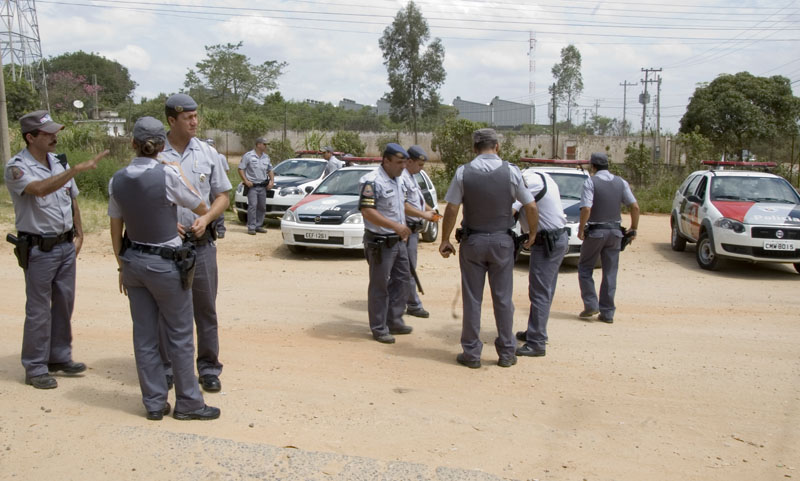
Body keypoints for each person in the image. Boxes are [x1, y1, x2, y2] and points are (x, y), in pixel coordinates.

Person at [109, 116, 219, 421]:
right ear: (161, 146)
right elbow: (199, 205)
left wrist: (121, 265)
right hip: (165, 263)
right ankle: (189, 403)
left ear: (132, 143)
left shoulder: (117, 179)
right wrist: (179, 172)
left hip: (133, 260)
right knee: (180, 335)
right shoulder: (166, 175)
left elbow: (115, 228)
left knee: (144, 337)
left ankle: (154, 402)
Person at [5, 110, 109, 389]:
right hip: (39, 248)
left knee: (64, 303)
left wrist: (80, 233)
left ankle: (59, 356)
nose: (54, 137)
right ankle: (36, 366)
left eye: (55, 131)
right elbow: (38, 190)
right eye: (48, 133)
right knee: (39, 309)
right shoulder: (16, 167)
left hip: (64, 245)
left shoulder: (58, 162)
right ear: (31, 137)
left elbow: (71, 199)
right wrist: (75, 170)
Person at [439, 128, 537, 369]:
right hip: (502, 242)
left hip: (473, 242)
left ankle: (471, 353)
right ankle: (506, 352)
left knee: (472, 299)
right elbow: (531, 206)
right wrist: (533, 233)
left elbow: (452, 208)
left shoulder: (463, 172)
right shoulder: (512, 171)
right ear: (497, 147)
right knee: (503, 299)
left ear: (474, 148)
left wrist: (445, 239)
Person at [161, 93, 232, 393]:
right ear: (171, 120)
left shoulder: (207, 153)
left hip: (201, 244)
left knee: (205, 309)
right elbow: (142, 196)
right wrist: (163, 223)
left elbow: (223, 196)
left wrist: (206, 219)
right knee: (168, 311)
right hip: (166, 245)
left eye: (195, 116)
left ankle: (208, 367)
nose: (194, 121)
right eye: (187, 117)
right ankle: (169, 369)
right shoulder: (155, 152)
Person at [359, 143, 414, 344]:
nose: (403, 167)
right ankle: (379, 327)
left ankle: (394, 320)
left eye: (405, 163)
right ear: (386, 161)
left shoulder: (399, 180)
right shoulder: (372, 181)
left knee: (402, 281)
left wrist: (404, 227)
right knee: (380, 286)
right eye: (399, 162)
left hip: (398, 241)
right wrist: (395, 226)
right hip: (380, 243)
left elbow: (400, 206)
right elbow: (367, 212)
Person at [577, 152, 640, 323]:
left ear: (593, 166)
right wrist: (633, 228)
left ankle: (591, 304)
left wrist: (581, 229)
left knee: (585, 268)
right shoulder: (621, 182)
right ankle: (607, 313)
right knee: (610, 272)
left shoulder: (591, 182)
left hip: (596, 231)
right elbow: (634, 206)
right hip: (615, 233)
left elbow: (587, 209)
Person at [513, 169, 568, 357]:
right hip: (556, 239)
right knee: (545, 290)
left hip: (547, 241)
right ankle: (536, 332)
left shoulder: (528, 181)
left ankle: (536, 343)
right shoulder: (541, 176)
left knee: (539, 292)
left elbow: (512, 209)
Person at [401, 145, 438, 318]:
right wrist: (424, 214)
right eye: (420, 165)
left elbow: (418, 202)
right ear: (409, 161)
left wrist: (431, 211)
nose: (421, 169)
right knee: (407, 269)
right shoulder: (402, 178)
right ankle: (412, 304)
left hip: (414, 231)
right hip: (405, 229)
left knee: (408, 268)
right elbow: (404, 206)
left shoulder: (412, 177)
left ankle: (406, 302)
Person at [238, 137, 273, 235]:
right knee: (253, 206)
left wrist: (272, 181)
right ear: (258, 144)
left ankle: (259, 225)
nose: (266, 146)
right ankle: (251, 227)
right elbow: (241, 169)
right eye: (264, 144)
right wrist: (245, 180)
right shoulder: (248, 156)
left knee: (262, 207)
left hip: (263, 186)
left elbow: (270, 170)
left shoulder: (266, 157)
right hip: (252, 186)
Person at [205, 138, 229, 239]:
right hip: (205, 187)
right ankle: (209, 228)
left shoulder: (220, 157)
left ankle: (220, 229)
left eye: (211, 145)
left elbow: (226, 170)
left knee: (218, 207)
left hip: (216, 186)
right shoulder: (202, 156)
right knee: (206, 208)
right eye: (208, 145)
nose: (210, 147)